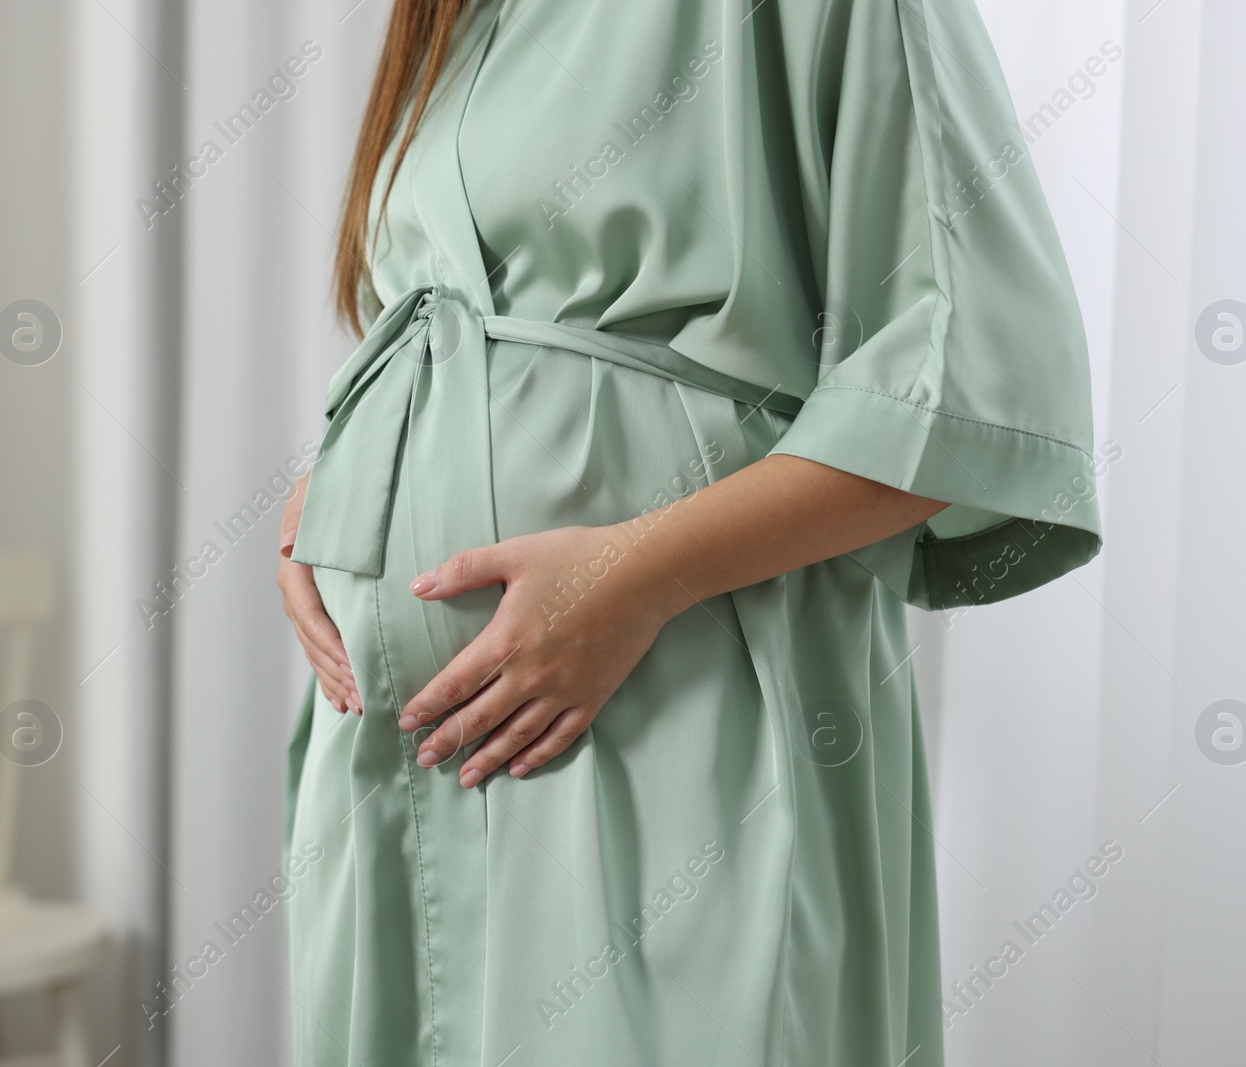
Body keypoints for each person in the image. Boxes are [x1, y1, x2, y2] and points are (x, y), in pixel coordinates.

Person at [277, 0, 1101, 1063]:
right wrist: (338, 484)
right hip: (400, 752)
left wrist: (632, 576)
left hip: (671, 694)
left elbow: (964, 379)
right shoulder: (450, 17)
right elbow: (445, 318)